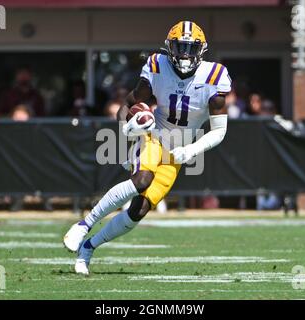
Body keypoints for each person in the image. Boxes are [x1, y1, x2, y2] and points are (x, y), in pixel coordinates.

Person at [64, 21, 231, 275]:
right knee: (142, 179)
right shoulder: (157, 65)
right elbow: (127, 105)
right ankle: (84, 224)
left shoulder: (214, 78)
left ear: (201, 50)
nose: (185, 54)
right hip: (155, 136)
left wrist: (192, 150)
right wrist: (125, 135)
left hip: (179, 151)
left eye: (190, 48)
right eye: (180, 47)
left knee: (138, 210)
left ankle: (88, 247)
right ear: (169, 47)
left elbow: (219, 130)